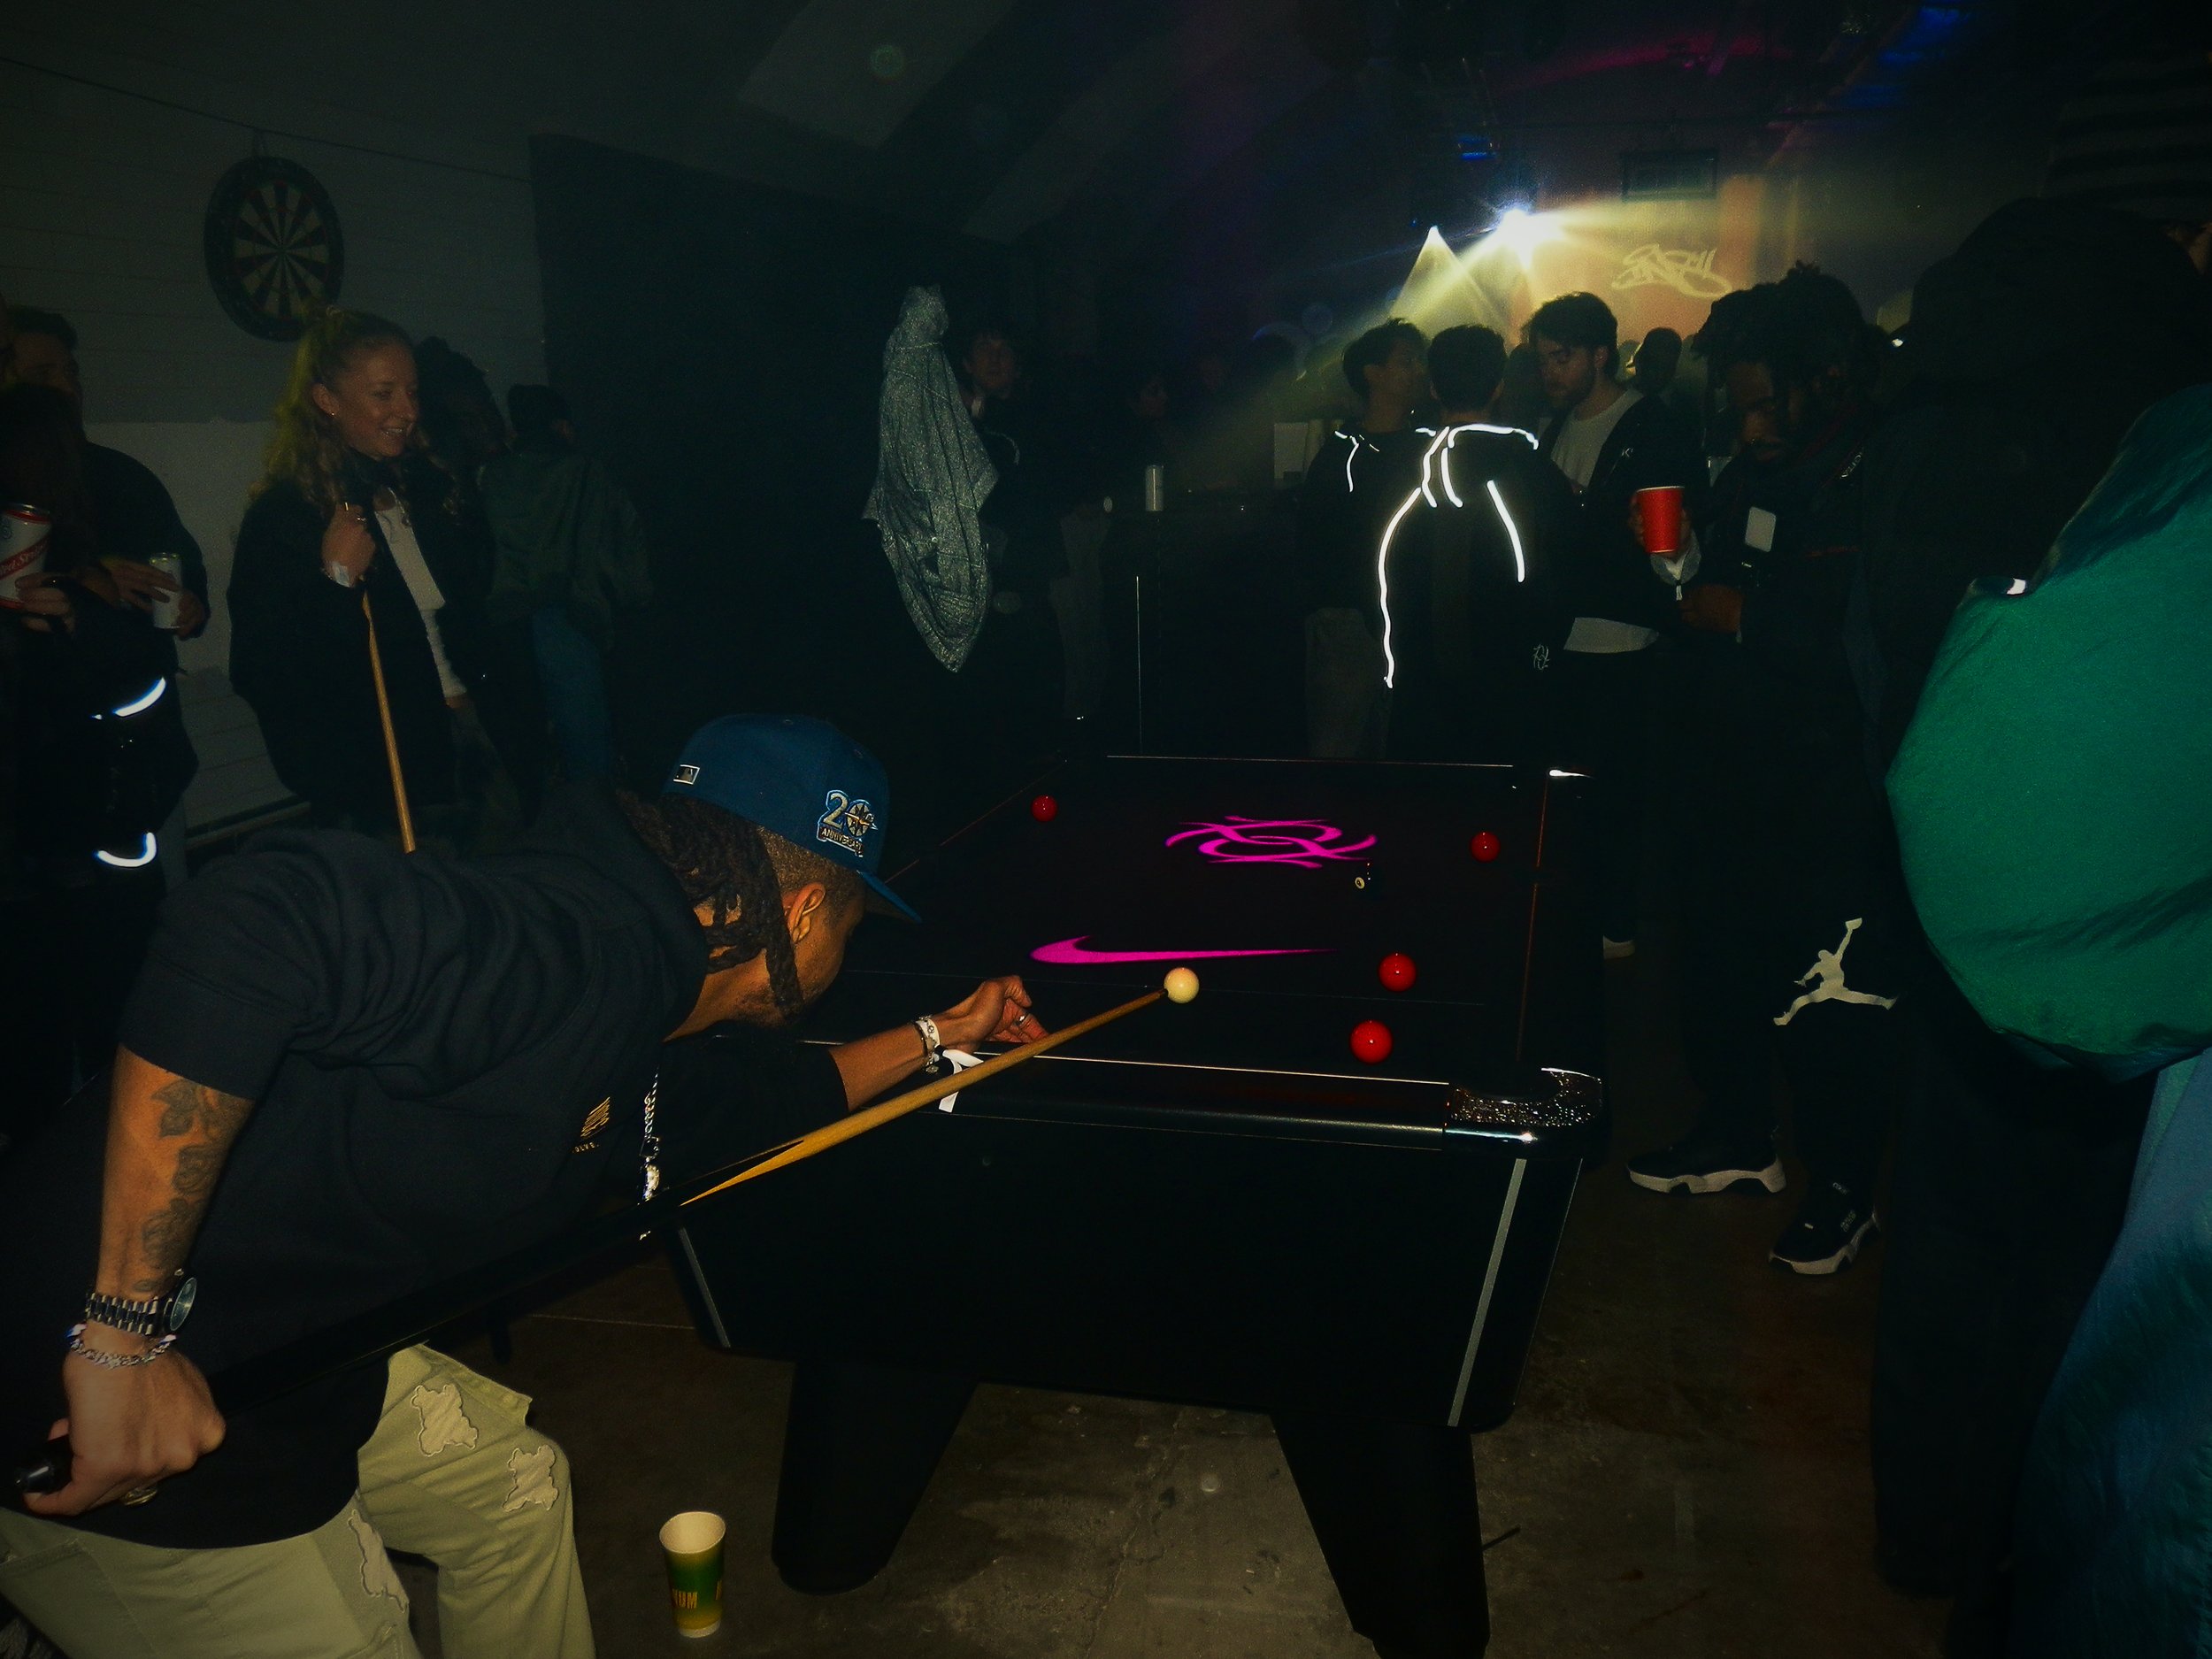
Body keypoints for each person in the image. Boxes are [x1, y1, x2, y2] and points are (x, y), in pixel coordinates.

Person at [0, 712, 1049, 1657]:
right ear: (810, 909)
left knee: (512, 1492)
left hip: (294, 1352)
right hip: (90, 1390)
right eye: (858, 926)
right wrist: (122, 1330)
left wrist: (937, 1038)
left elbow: (751, 1101)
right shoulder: (571, 950)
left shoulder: (642, 990)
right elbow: (262, 917)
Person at [1859, 49, 2212, 1650]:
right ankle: (2010, 1543)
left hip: (1953, 917)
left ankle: (1934, 1537)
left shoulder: (1926, 433)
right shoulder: (2147, 443)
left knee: (1955, 1240)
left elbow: (1868, 670)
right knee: (2087, 1274)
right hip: (2128, 952)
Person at [1624, 266, 1910, 1276]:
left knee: (1832, 998)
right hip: (1731, 774)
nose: (1747, 428)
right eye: (1735, 407)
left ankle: (1843, 1187)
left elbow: (1877, 641)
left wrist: (1742, 618)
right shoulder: (1754, 472)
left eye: (1761, 405)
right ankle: (1738, 1137)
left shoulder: (1885, 472)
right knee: (1719, 966)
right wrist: (1685, 561)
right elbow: (1719, 578)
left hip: (1831, 792)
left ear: (1827, 378)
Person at [227, 310, 534, 849]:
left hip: (478, 743)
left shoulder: (424, 488)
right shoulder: (289, 516)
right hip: (389, 773)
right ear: (327, 401)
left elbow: (478, 616)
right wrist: (337, 580)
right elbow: (265, 667)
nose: (407, 411)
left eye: (411, 392)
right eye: (383, 394)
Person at [0, 383, 197, 1148]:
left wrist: (83, 607)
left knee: (102, 1016)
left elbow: (139, 668)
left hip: (91, 839)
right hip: (49, 855)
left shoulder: (102, 526)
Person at [1527, 292, 1704, 956]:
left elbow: (1669, 537)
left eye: (1561, 355)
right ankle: (1587, 912)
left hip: (1623, 635)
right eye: (1543, 357)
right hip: (1565, 633)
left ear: (1601, 353)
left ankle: (1616, 923)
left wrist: (1584, 521)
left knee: (1619, 789)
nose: (1550, 369)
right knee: (1572, 785)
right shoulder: (1554, 427)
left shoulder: (1650, 425)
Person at [1375, 325, 1574, 764]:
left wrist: (1394, 673)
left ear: (1432, 387)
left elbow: (1381, 579)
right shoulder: (1533, 472)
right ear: (1499, 386)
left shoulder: (1399, 473)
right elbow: (1558, 577)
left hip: (1420, 701)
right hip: (1509, 699)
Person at [480, 385, 653, 784]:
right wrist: (634, 598)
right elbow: (625, 543)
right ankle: (596, 827)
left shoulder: (494, 475)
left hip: (508, 625)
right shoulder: (584, 472)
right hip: (569, 619)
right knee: (587, 743)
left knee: (530, 744)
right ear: (560, 426)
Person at [7, 308, 210, 646]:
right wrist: (91, 577)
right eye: (43, 376)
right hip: (45, 690)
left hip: (144, 687)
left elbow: (180, 559)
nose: (67, 387)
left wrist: (190, 601)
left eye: (71, 372)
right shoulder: (11, 481)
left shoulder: (123, 475)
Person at [1296, 318, 1431, 759]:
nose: (1418, 371)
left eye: (1420, 361)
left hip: (1412, 621)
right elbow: (1319, 543)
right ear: (1373, 374)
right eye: (1406, 362)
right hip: (1350, 625)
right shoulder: (1342, 452)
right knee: (1340, 748)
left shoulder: (1433, 446)